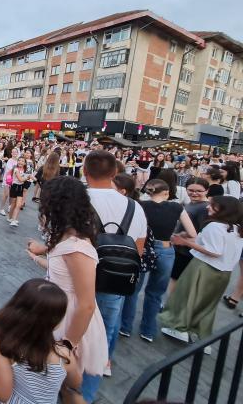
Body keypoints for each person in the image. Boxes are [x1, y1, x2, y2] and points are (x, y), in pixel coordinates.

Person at [27, 176, 108, 402]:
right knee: (56, 382)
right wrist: (38, 255)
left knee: (68, 386)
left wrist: (67, 344)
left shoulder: (77, 247)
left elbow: (87, 303)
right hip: (57, 310)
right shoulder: (68, 236)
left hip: (69, 319)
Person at [82, 150, 147, 401]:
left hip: (77, 279)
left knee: (67, 331)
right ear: (115, 173)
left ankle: (63, 382)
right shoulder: (134, 206)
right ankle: (87, 392)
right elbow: (137, 251)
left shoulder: (75, 199)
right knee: (105, 333)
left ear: (85, 171)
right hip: (114, 281)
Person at [0, 278, 81, 404]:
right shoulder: (64, 355)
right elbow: (76, 382)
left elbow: (2, 394)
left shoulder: (7, 345)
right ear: (56, 321)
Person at [119, 180, 196, 342]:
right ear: (167, 192)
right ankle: (148, 330)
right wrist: (178, 236)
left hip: (143, 248)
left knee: (133, 290)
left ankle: (125, 326)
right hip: (166, 249)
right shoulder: (176, 207)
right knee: (155, 293)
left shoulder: (140, 205)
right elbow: (192, 233)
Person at [160, 196, 243, 348]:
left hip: (204, 268)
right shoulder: (237, 229)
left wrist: (184, 242)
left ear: (223, 209)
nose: (208, 207)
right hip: (224, 272)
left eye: (213, 205)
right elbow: (215, 246)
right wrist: (191, 239)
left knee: (188, 297)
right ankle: (200, 333)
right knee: (207, 304)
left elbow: (214, 251)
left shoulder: (215, 226)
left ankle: (180, 327)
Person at [170, 177, 210, 291]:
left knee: (177, 280)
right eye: (191, 190)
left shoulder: (204, 208)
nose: (194, 193)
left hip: (188, 251)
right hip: (182, 248)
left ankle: (172, 306)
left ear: (207, 191)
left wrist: (185, 239)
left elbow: (203, 232)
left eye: (199, 191)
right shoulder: (192, 203)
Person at [7, 157, 30, 227]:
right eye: (19, 160)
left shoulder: (24, 170)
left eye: (22, 161)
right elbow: (20, 179)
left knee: (19, 205)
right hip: (14, 187)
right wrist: (27, 177)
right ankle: (9, 217)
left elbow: (29, 177)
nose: (20, 162)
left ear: (25, 163)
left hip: (20, 188)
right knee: (13, 204)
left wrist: (32, 177)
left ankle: (13, 220)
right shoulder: (16, 169)